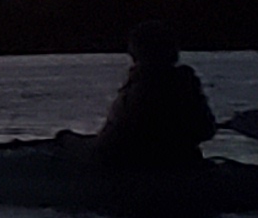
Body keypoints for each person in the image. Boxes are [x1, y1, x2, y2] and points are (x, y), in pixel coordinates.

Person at [90, 22, 218, 173]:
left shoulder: (142, 88)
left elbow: (119, 136)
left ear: (137, 51)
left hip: (141, 166)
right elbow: (206, 129)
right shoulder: (185, 83)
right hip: (182, 161)